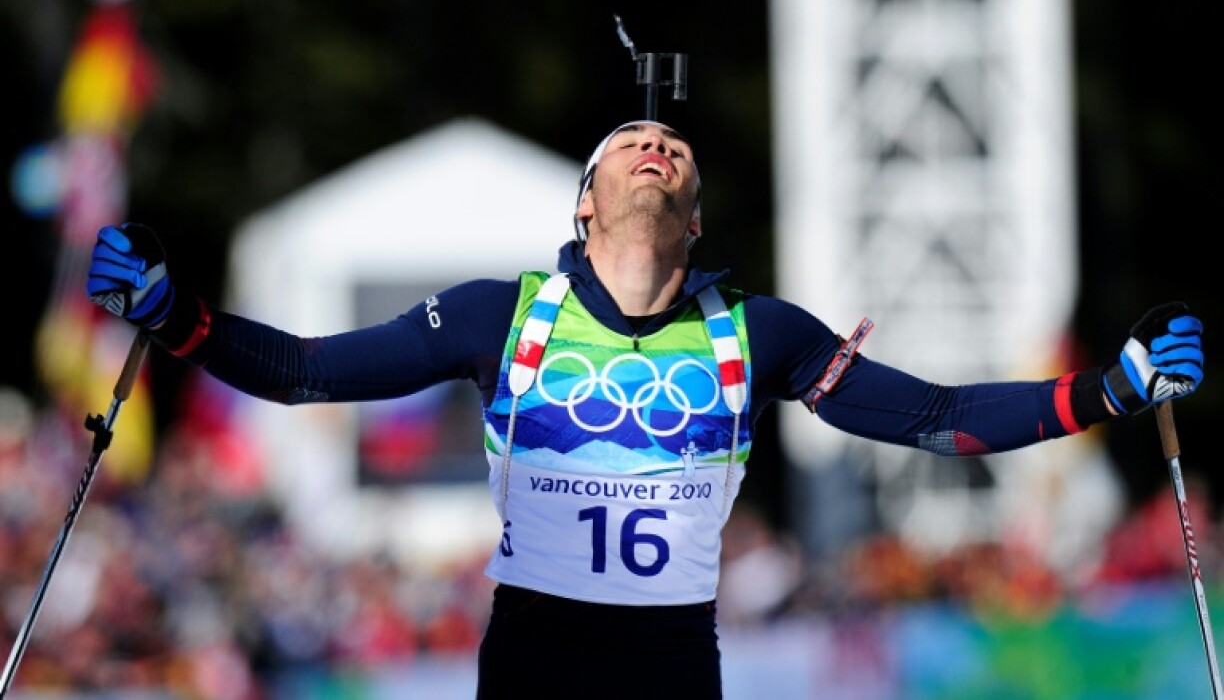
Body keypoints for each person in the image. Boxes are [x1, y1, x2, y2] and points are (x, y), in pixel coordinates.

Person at [86, 119, 1204, 699]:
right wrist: (174, 313)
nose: (655, 146)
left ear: (697, 219)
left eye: (671, 149)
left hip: (672, 662)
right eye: (627, 144)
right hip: (534, 654)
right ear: (584, 204)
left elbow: (940, 415)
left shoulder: (756, 331)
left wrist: (1104, 390)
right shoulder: (498, 314)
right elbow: (308, 371)